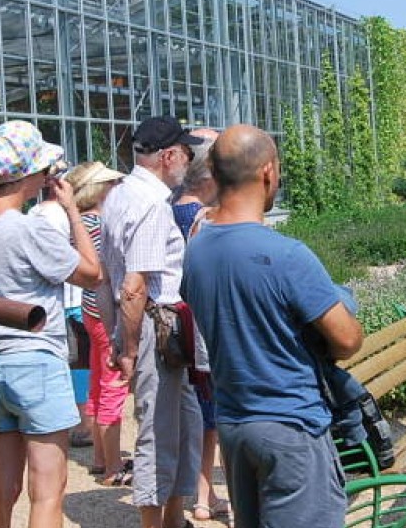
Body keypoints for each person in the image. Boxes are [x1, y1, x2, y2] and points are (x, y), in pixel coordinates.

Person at [181, 124, 363, 526]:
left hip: (234, 424)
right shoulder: (287, 255)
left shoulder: (197, 250)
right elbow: (348, 340)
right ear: (268, 172)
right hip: (291, 427)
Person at [0, 121, 102, 528]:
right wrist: (73, 213)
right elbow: (91, 273)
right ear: (31, 174)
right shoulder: (28, 229)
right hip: (35, 361)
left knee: (0, 489)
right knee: (47, 491)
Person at [99, 115, 205, 528]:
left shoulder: (120, 196)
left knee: (183, 421)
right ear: (169, 155)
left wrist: (116, 338)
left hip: (148, 326)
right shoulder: (149, 205)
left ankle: (175, 518)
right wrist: (126, 347)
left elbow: (110, 279)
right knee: (159, 430)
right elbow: (132, 285)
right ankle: (154, 521)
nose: (189, 162)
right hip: (153, 326)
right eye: (186, 153)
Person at [171, 127, 229, 521]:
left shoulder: (168, 206)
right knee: (222, 419)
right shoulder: (206, 219)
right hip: (206, 324)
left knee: (204, 420)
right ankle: (230, 500)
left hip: (178, 323)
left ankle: (203, 496)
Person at [64, 162, 129, 484]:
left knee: (98, 381)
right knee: (113, 385)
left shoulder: (82, 223)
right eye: (111, 182)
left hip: (90, 311)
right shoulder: (98, 224)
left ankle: (102, 457)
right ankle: (113, 465)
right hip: (105, 313)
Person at [27, 163, 95, 451]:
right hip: (72, 295)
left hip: (60, 297)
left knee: (73, 361)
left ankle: (79, 421)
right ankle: (83, 423)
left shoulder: (35, 212)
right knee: (81, 362)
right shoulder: (60, 214)